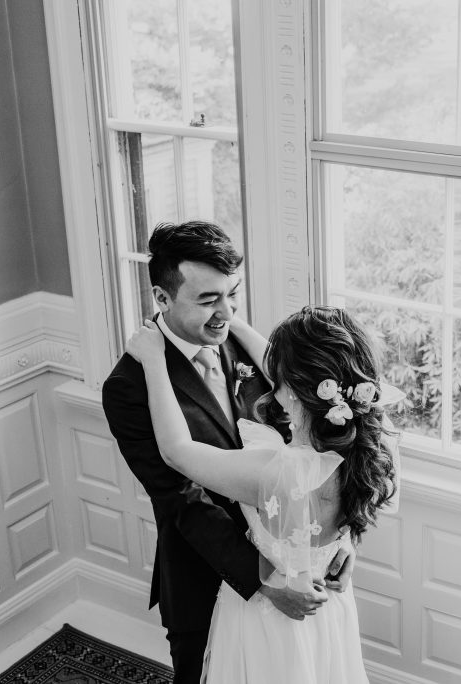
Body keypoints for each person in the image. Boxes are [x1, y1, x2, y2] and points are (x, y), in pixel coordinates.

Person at [102, 222, 355, 684]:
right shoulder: (130, 387)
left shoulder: (248, 343)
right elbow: (181, 497)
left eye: (231, 294)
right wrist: (266, 580)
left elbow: (317, 442)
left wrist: (338, 539)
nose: (225, 311)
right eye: (207, 300)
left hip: (300, 560)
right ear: (161, 298)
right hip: (209, 577)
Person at [125, 305, 401, 683]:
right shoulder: (371, 442)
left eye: (280, 379)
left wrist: (154, 360)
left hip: (265, 621)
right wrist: (230, 317)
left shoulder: (279, 472)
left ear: (294, 390)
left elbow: (176, 451)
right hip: (328, 611)